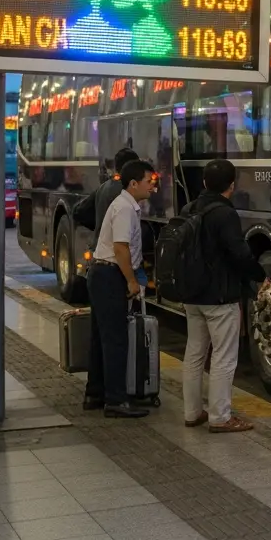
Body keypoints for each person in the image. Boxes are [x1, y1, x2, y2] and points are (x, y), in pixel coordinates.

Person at [180, 160, 271, 433]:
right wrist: (259, 275)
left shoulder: (189, 209)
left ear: (205, 183)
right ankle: (220, 417)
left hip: (191, 295)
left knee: (195, 353)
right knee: (223, 356)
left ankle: (192, 412)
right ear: (232, 185)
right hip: (219, 297)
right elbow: (239, 253)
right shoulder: (224, 214)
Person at [84, 159, 157, 418]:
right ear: (134, 183)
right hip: (109, 274)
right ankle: (115, 400)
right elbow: (120, 248)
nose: (153, 187)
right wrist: (131, 281)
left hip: (101, 273)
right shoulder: (125, 208)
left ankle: (95, 393)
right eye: (150, 182)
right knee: (115, 340)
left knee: (101, 338)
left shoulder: (124, 205)